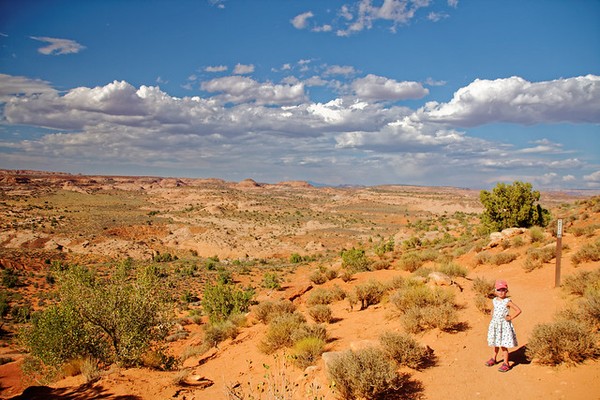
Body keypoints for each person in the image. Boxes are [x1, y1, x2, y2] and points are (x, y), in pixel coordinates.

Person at [485, 279, 522, 372]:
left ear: (506, 291)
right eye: (499, 290)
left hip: (503, 326)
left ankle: (506, 363)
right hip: (495, 325)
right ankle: (493, 358)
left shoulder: (507, 301)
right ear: (495, 291)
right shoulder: (494, 300)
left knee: (503, 345)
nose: (501, 292)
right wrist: (492, 314)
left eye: (503, 290)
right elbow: (494, 308)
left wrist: (511, 317)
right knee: (495, 343)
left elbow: (518, 310)